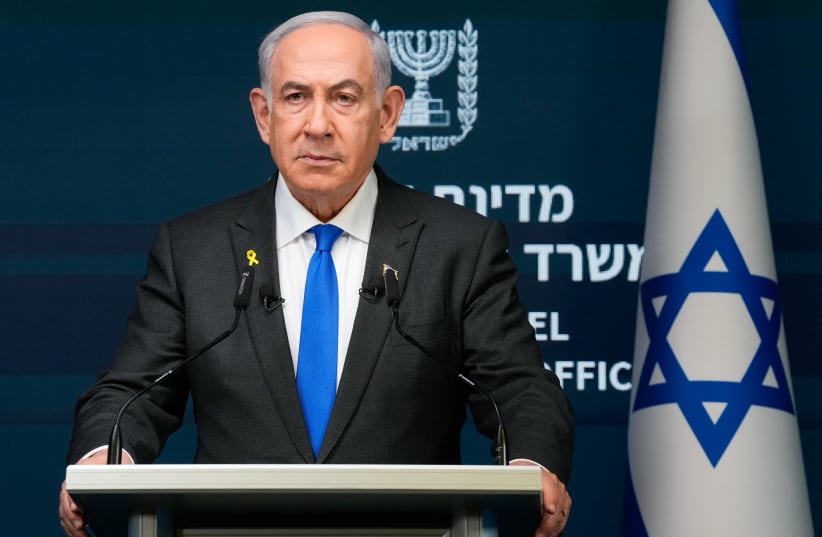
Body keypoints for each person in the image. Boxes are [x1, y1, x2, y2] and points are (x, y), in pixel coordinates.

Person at [58, 11, 574, 537]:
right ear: (264, 116)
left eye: (345, 98)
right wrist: (106, 459)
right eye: (296, 96)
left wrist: (529, 465)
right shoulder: (194, 250)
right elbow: (129, 393)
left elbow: (519, 389)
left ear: (389, 113)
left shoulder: (459, 246)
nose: (318, 124)